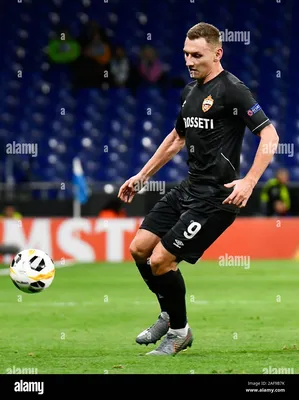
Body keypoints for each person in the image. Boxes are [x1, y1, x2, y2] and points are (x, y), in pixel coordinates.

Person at [118, 22, 279, 356]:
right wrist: (143, 175)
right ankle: (169, 311)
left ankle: (179, 333)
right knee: (139, 249)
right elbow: (177, 138)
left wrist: (249, 181)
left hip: (217, 197)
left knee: (162, 260)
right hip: (188, 187)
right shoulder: (189, 92)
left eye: (197, 55)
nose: (189, 61)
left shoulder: (233, 90)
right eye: (186, 54)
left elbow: (270, 135)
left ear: (217, 53)